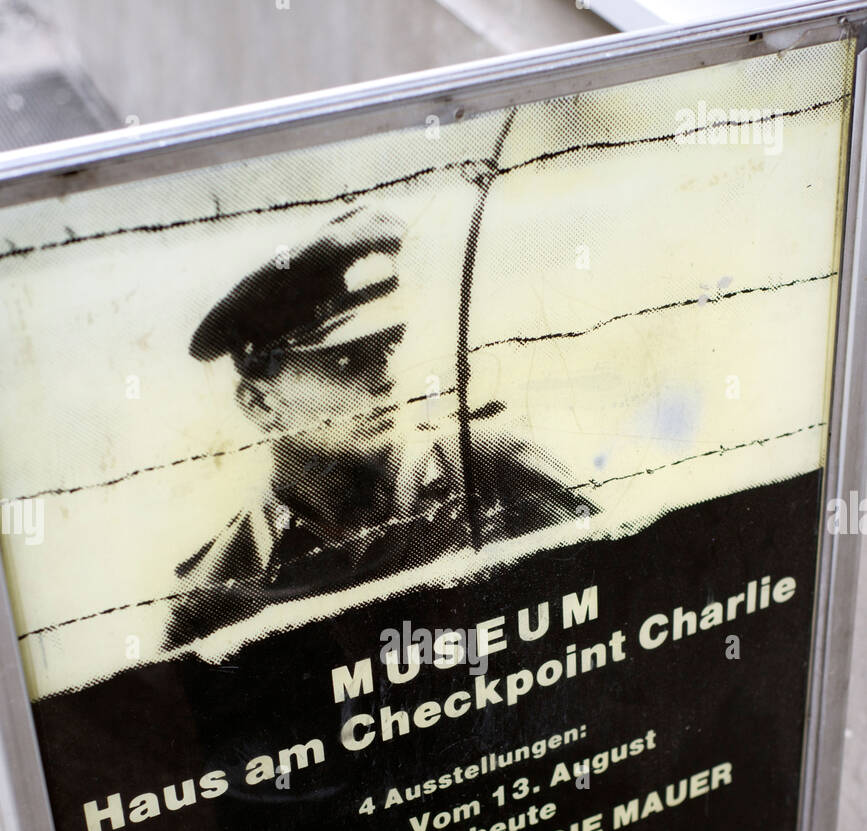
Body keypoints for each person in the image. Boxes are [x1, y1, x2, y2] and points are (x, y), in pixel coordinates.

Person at [163, 205, 596, 649]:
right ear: (260, 404)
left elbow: (612, 609)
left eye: (390, 345)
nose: (386, 375)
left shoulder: (490, 465)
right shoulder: (216, 591)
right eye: (346, 360)